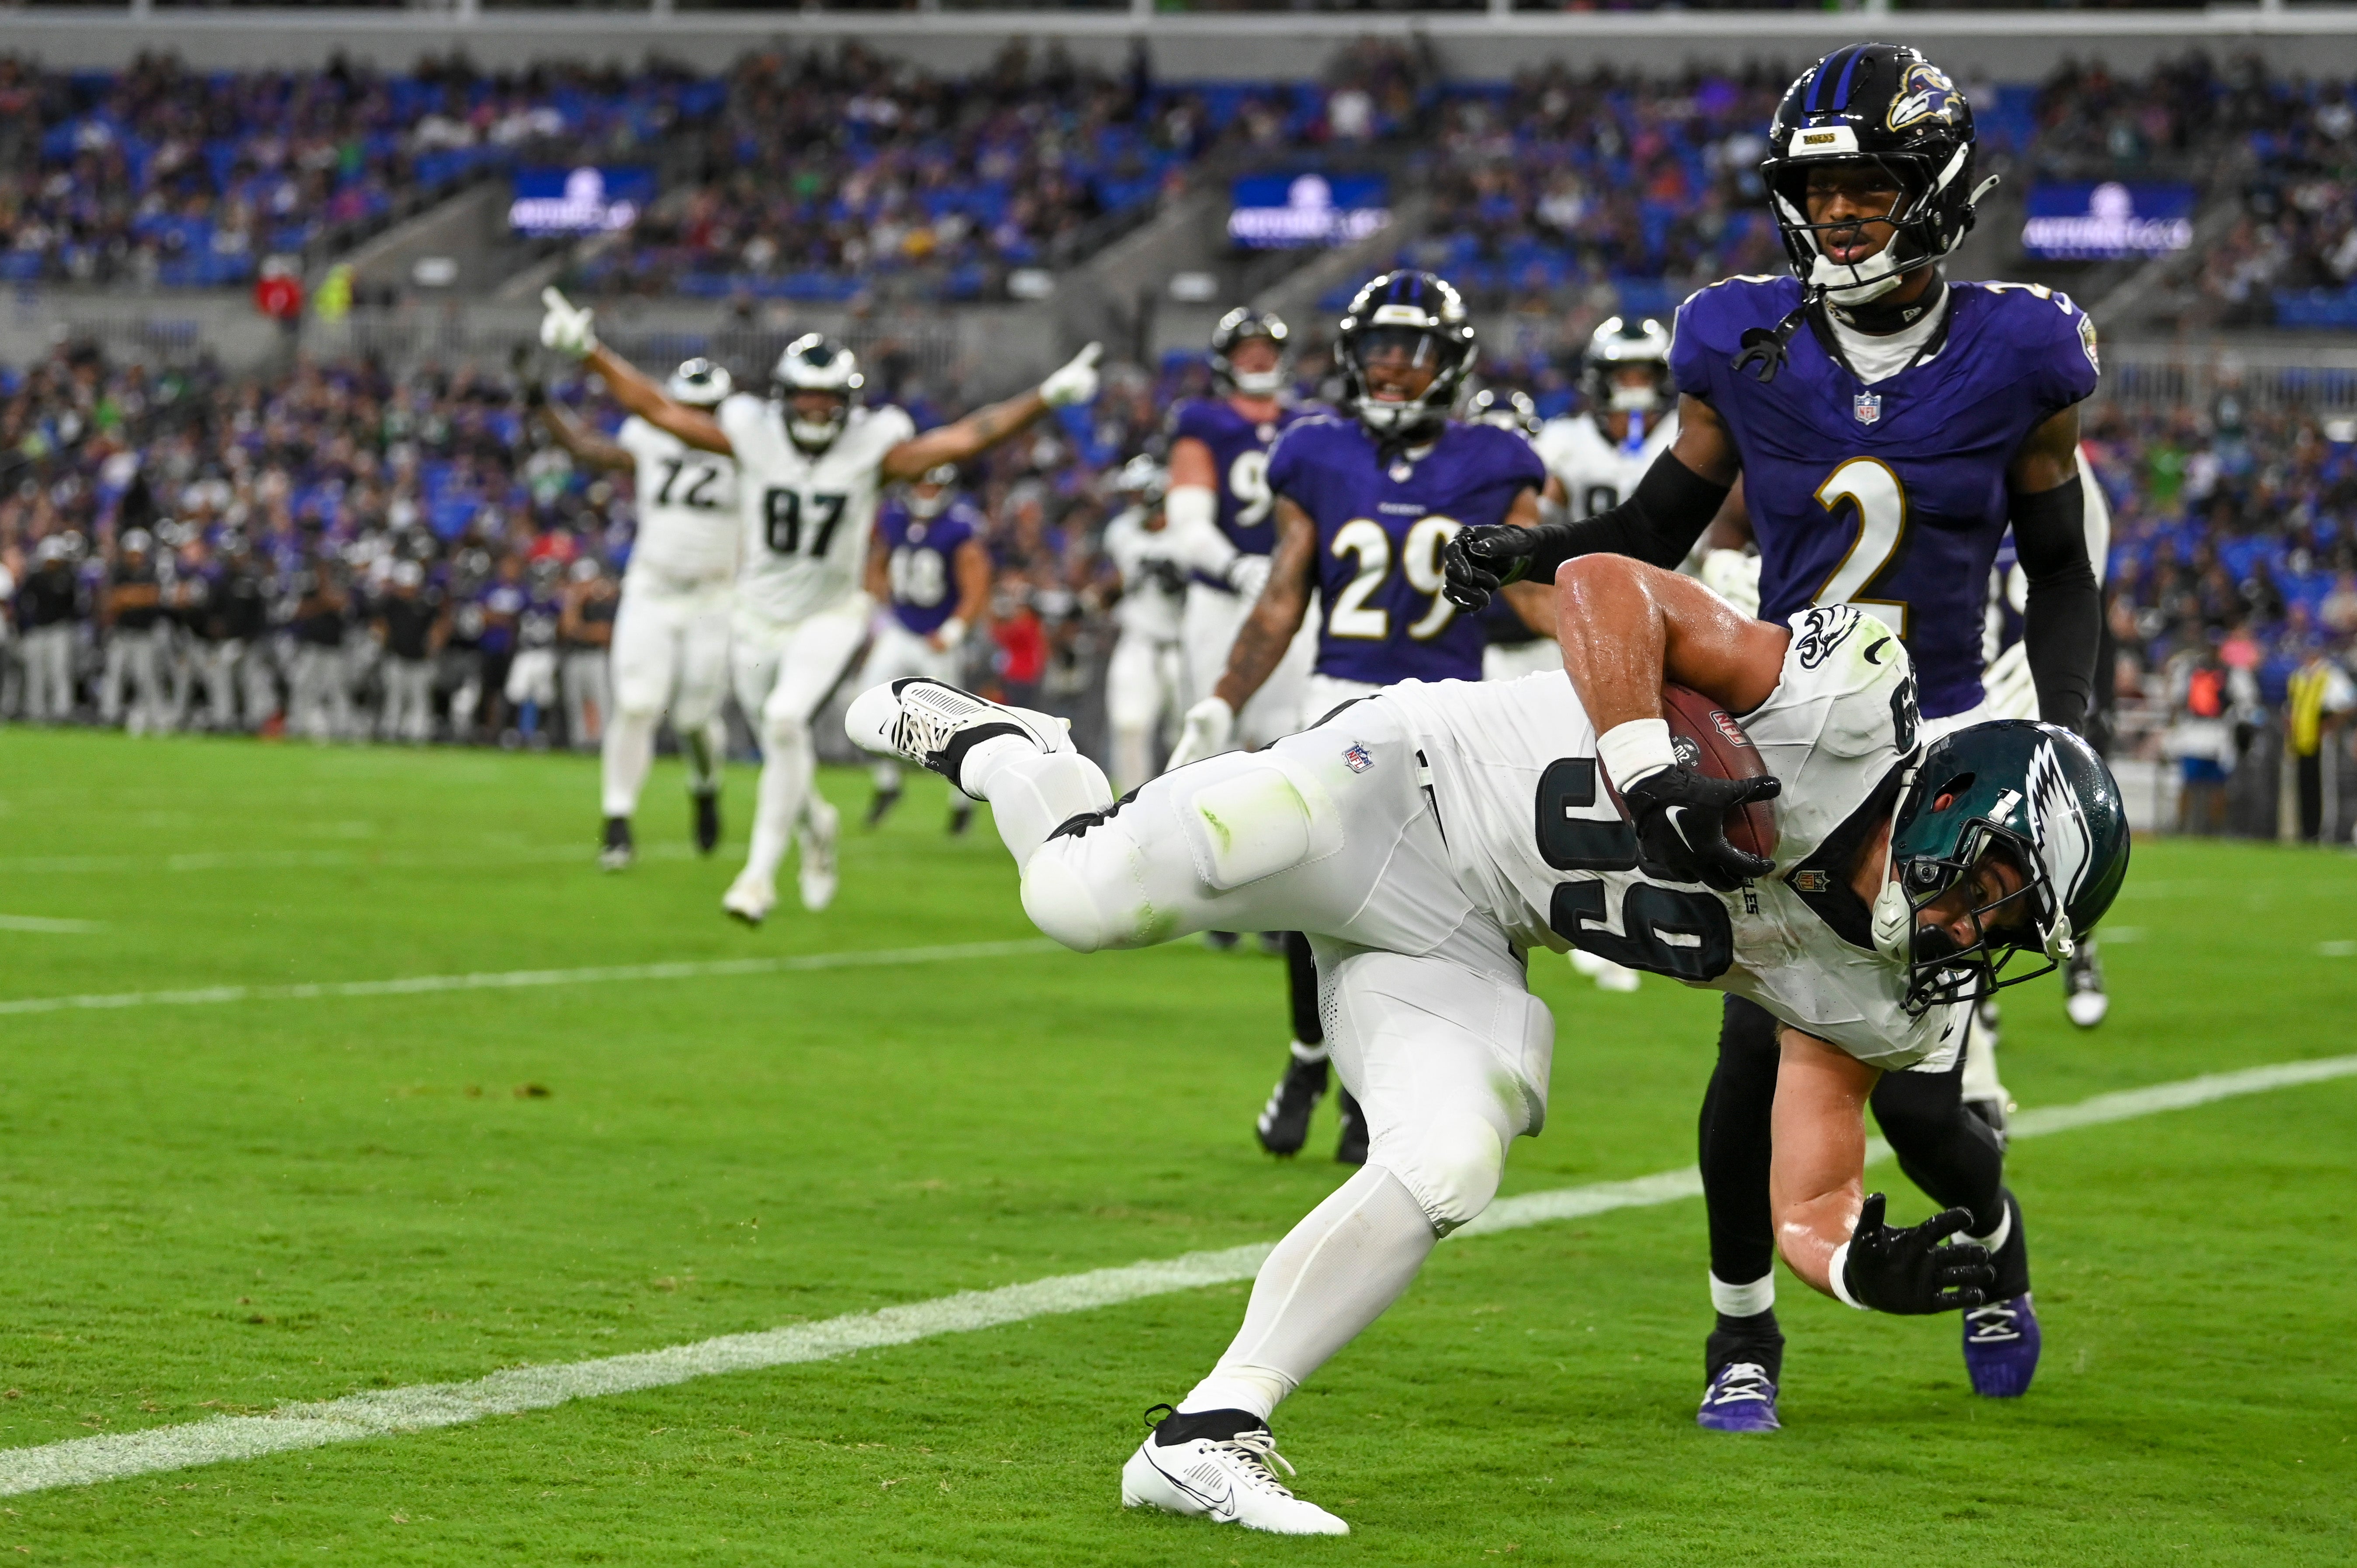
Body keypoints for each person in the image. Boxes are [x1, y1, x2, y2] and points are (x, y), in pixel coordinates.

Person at [844, 558, 2127, 1536]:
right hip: (1389, 782)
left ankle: (1207, 1428)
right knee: (1078, 900)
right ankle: (1014, 747)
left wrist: (1846, 1265)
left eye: (2012, 927)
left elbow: (1810, 1181)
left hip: (1458, 936)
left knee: (1453, 1155)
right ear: (1957, 806)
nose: (1975, 929)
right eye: (1991, 889)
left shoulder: (1890, 993)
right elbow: (1602, 585)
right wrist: (1639, 757)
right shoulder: (1835, 716)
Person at [1442, 41, 2108, 1430]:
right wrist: (1527, 551)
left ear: (1931, 187)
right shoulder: (1742, 337)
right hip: (1792, 721)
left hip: (1941, 747)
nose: (1843, 213)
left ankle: (1991, 1240)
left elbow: (2057, 563)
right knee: (1750, 1044)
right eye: (1821, 188)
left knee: (1919, 1094)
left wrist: (2066, 733)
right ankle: (1740, 1337)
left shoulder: (2020, 346)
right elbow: (1644, 537)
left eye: (1868, 185)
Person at [537, 287, 1101, 925]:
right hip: (753, 615)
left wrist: (1045, 397)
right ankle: (818, 824)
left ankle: (755, 879)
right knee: (780, 740)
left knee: (784, 722)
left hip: (830, 614)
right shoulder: (752, 437)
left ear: (849, 404)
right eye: (806, 395)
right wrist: (589, 351)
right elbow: (658, 410)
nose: (815, 408)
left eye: (828, 398)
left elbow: (966, 438)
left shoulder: (870, 449)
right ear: (782, 398)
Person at [1169, 271, 1550, 1165]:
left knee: (1459, 917)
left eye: (1413, 351)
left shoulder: (1498, 460)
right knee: (1317, 905)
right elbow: (1280, 599)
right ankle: (1316, 1064)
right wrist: (1222, 699)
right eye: (1379, 348)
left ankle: (1384, 1088)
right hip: (1336, 696)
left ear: (1449, 364)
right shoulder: (1317, 451)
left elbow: (1539, 598)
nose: (1391, 367)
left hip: (1454, 717)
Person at [534, 358, 739, 869]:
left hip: (715, 595)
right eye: (687, 409)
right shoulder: (651, 437)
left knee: (694, 718)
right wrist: (537, 401)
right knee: (637, 703)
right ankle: (617, 820)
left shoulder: (747, 446)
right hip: (652, 588)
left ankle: (705, 785)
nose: (694, 419)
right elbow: (586, 448)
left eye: (705, 410)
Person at [858, 463, 990, 832]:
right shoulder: (896, 518)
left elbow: (977, 581)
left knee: (950, 722)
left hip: (936, 635)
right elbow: (878, 563)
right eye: (921, 483)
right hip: (900, 628)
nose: (927, 493)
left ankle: (962, 800)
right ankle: (887, 783)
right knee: (867, 698)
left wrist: (953, 630)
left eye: (933, 486)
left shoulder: (959, 526)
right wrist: (878, 609)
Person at [1099, 455, 1190, 797]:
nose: (1133, 502)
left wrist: (1182, 583)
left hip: (1184, 645)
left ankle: (1186, 802)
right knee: (1130, 725)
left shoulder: (1188, 533)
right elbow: (1114, 582)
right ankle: (1131, 805)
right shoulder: (1122, 532)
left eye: (1138, 494)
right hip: (1138, 640)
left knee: (1186, 732)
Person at [375, 558, 443, 743]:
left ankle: (419, 735)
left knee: (420, 701)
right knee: (394, 699)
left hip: (420, 659)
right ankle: (390, 733)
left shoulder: (427, 604)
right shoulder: (391, 603)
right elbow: (381, 627)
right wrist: (382, 646)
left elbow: (438, 627)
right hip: (396, 657)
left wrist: (434, 646)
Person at [20, 535, 85, 723]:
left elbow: (77, 606)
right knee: (36, 673)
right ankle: (35, 712)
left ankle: (62, 712)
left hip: (60, 630)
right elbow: (23, 604)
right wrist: (25, 627)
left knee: (60, 671)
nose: (52, 564)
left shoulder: (68, 578)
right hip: (37, 630)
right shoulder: (34, 579)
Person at [560, 557, 619, 756]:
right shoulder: (574, 604)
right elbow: (567, 629)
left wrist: (581, 631)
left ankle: (604, 745)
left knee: (602, 702)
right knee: (576, 702)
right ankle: (580, 745)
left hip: (598, 657)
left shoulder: (606, 603)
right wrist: (575, 603)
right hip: (575, 656)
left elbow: (605, 634)